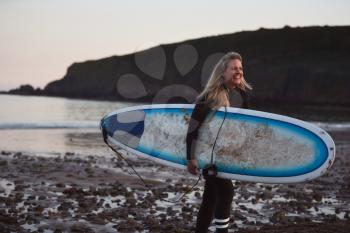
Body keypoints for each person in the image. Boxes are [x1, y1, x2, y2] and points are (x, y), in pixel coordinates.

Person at [186, 52, 252, 233]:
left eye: (240, 68)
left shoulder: (242, 94)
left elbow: (244, 127)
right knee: (226, 191)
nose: (238, 71)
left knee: (211, 197)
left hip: (225, 155)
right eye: (234, 68)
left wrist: (242, 153)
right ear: (223, 73)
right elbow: (193, 128)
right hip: (208, 155)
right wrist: (190, 158)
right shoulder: (209, 97)